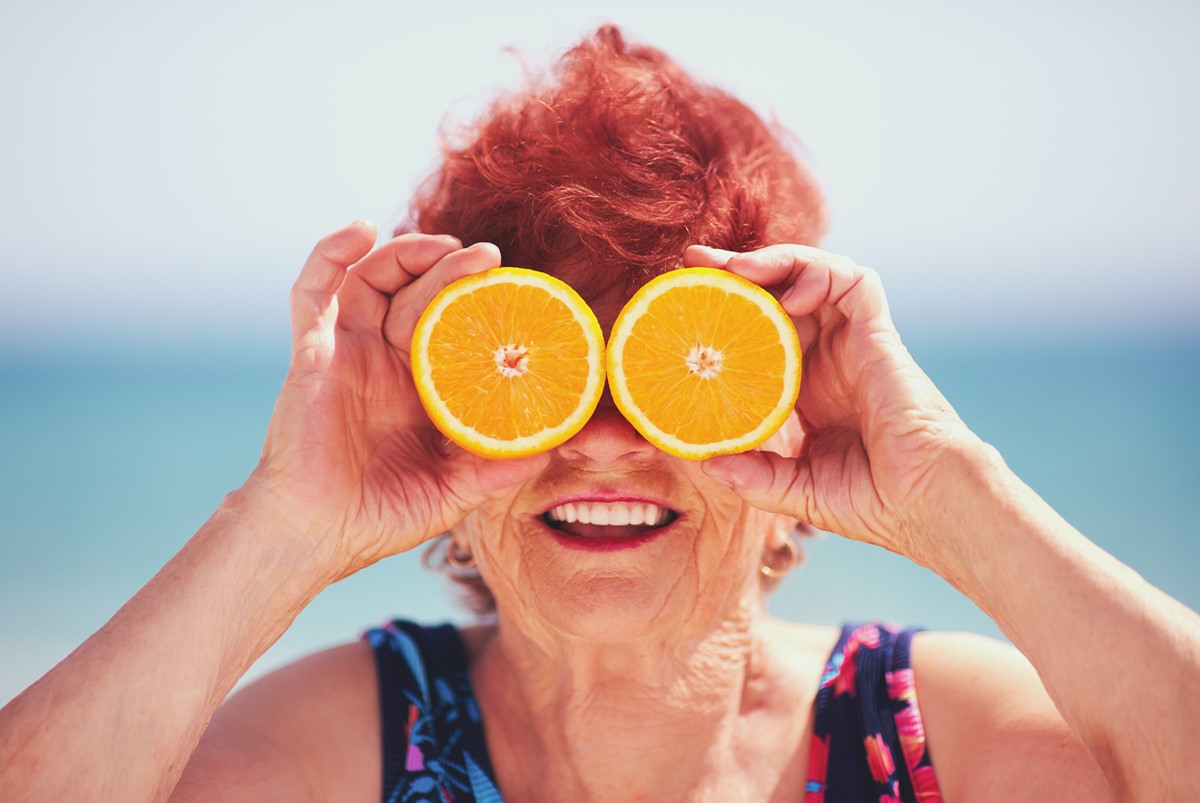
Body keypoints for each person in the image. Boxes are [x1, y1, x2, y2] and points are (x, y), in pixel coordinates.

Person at [1, 25, 1197, 803]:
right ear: (442, 425)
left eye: (674, 369)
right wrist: (283, 528)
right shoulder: (330, 756)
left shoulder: (938, 738)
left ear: (793, 414)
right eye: (541, 372)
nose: (610, 437)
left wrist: (948, 488)